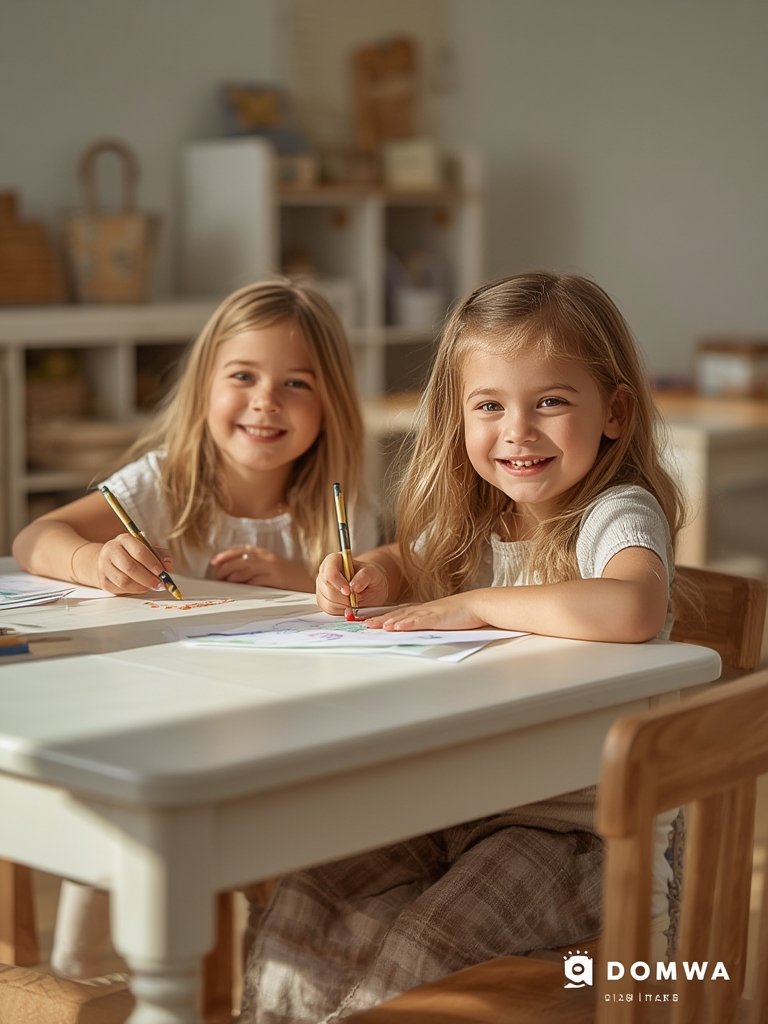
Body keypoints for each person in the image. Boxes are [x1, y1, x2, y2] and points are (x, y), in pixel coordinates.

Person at [240, 271, 687, 1023]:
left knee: (422, 950)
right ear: (459, 418)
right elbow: (405, 560)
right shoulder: (481, 519)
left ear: (613, 411)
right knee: (309, 900)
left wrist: (475, 604)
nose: (518, 430)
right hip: (453, 808)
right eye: (489, 405)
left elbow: (633, 605)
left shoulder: (615, 513)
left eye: (550, 400)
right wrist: (370, 571)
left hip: (582, 840)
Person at [12, 277, 377, 979]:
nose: (266, 401)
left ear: (330, 403)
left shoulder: (336, 503)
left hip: (284, 731)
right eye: (243, 376)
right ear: (206, 385)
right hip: (163, 719)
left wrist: (306, 580)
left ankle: (277, 969)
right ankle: (86, 974)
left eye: (297, 384)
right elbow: (36, 537)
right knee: (124, 810)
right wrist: (92, 559)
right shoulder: (163, 483)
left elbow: (357, 598)